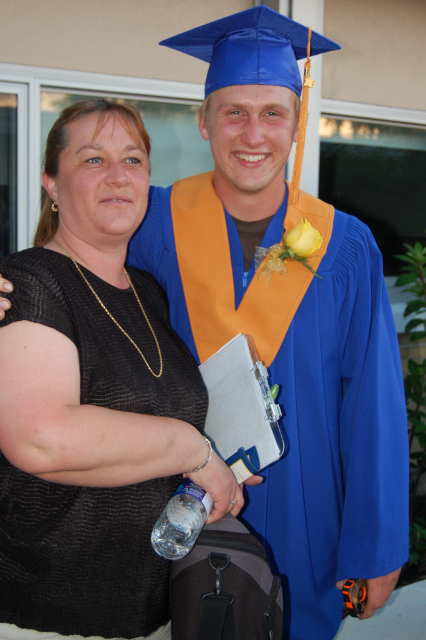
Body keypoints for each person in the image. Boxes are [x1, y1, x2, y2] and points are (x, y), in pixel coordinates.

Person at [0, 6, 410, 640]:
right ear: (204, 122)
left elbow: (373, 404)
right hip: (177, 514)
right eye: (233, 112)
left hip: (308, 514)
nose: (253, 134)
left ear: (297, 125)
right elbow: (65, 280)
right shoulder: (149, 221)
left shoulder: (344, 246)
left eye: (273, 113)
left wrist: (375, 545)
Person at [0, 99, 248, 640]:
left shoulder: (148, 293)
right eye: (93, 159)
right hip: (47, 613)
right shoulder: (30, 283)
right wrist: (194, 451)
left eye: (133, 160)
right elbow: (40, 438)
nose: (118, 175)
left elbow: (141, 431)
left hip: (153, 611)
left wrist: (223, 464)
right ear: (51, 183)